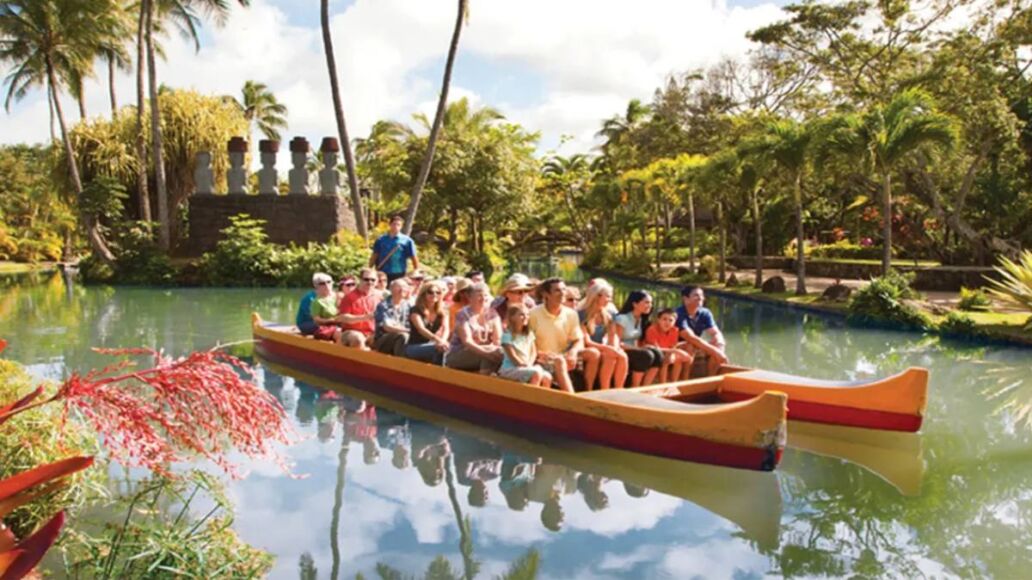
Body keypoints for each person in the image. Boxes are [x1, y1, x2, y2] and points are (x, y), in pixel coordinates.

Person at [528, 278, 601, 393]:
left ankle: (588, 391)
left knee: (593, 353)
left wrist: (573, 352)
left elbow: (579, 340)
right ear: (546, 294)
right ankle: (571, 397)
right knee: (560, 361)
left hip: (563, 354)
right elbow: (527, 343)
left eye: (564, 289)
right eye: (557, 290)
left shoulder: (571, 314)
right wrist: (542, 354)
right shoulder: (533, 314)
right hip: (542, 358)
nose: (562, 293)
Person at [577, 280, 628, 390]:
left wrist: (614, 347)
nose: (610, 300)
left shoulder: (609, 315)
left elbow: (612, 336)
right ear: (597, 296)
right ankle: (597, 389)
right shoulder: (582, 315)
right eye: (607, 297)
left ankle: (618, 389)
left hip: (602, 347)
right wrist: (608, 348)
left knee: (621, 355)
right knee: (608, 354)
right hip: (587, 347)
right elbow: (587, 342)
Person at [447, 282, 504, 374]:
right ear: (470, 297)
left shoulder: (493, 314)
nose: (483, 298)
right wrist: (486, 353)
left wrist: (493, 350)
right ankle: (483, 384)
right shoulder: (463, 314)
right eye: (479, 295)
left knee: (500, 352)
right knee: (488, 356)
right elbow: (467, 342)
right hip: (458, 354)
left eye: (485, 295)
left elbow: (498, 340)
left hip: (485, 350)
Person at [611, 290, 664, 386]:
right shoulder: (622, 319)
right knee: (646, 355)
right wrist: (638, 349)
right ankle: (635, 387)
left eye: (651, 303)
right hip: (621, 350)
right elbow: (616, 343)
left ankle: (645, 386)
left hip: (634, 350)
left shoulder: (641, 319)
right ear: (635, 304)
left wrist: (646, 346)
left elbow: (639, 340)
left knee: (658, 354)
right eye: (647, 302)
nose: (650, 305)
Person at [675, 286, 728, 376]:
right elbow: (690, 337)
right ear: (685, 299)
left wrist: (720, 346)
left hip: (695, 345)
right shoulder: (678, 314)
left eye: (702, 295)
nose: (701, 298)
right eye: (696, 295)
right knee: (690, 346)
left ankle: (711, 379)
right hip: (678, 345)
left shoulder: (705, 313)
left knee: (717, 343)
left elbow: (716, 333)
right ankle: (686, 379)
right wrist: (715, 351)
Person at [499, 305, 553, 388]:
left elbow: (533, 352)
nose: (526, 317)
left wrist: (529, 364)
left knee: (547, 377)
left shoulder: (529, 334)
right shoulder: (507, 335)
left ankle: (543, 399)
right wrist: (523, 365)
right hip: (510, 368)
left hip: (526, 366)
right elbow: (512, 356)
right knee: (536, 373)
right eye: (521, 315)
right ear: (512, 317)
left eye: (527, 314)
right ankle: (532, 398)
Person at [644, 307, 695, 382]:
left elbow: (672, 346)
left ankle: (674, 382)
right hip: (653, 353)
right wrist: (677, 351)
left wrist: (674, 353)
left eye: (671, 320)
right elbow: (655, 349)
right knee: (665, 359)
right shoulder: (652, 329)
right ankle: (663, 384)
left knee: (678, 358)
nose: (667, 322)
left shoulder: (674, 330)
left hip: (666, 351)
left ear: (674, 322)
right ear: (658, 320)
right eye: (664, 319)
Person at [405, 281, 449, 364]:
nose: (434, 295)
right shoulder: (415, 310)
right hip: (413, 347)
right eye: (430, 292)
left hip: (433, 344)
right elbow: (421, 329)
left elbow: (446, 329)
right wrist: (438, 340)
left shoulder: (443, 311)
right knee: (439, 348)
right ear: (423, 294)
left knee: (445, 347)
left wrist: (443, 340)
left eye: (438, 292)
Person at [369, 214, 420, 283]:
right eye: (394, 224)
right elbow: (375, 255)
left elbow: (413, 257)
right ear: (390, 225)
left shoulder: (407, 241)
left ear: (401, 226)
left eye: (398, 225)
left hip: (399, 272)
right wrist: (369, 269)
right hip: (382, 272)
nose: (396, 226)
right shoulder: (381, 240)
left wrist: (416, 271)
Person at [338, 267, 380, 347]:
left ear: (376, 281)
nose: (370, 282)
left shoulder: (379, 297)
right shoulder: (349, 297)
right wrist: (365, 317)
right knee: (358, 338)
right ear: (360, 280)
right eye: (366, 279)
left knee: (388, 338)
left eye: (373, 280)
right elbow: (343, 318)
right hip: (351, 332)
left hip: (372, 333)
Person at [373, 278, 411, 356]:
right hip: (383, 340)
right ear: (391, 289)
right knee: (403, 336)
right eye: (398, 287)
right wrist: (408, 331)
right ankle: (399, 363)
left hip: (404, 337)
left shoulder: (408, 306)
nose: (402, 290)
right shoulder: (384, 305)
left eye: (404, 287)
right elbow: (387, 327)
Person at [302, 272, 342, 343]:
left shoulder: (337, 296)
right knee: (340, 334)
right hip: (314, 324)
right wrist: (332, 320)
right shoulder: (314, 300)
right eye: (322, 283)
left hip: (335, 323)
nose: (326, 285)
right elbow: (316, 320)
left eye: (329, 282)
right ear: (316, 286)